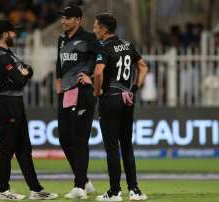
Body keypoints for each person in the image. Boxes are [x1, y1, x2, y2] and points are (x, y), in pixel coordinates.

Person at [0, 19, 58, 200]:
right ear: (5, 34)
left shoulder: (9, 55)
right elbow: (21, 79)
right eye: (13, 32)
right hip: (7, 103)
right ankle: (2, 191)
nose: (15, 35)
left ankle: (35, 189)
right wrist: (23, 74)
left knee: (23, 148)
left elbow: (28, 72)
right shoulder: (2, 57)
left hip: (15, 102)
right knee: (7, 148)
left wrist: (24, 74)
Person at [92, 13, 149, 201]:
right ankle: (135, 190)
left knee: (112, 147)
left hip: (110, 99)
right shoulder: (127, 45)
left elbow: (98, 73)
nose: (94, 29)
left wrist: (97, 92)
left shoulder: (104, 48)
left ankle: (115, 192)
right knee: (127, 146)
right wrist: (134, 88)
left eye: (96, 26)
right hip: (127, 99)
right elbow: (143, 67)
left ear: (104, 29)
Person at [55, 4, 97, 199]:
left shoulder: (89, 38)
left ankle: (79, 186)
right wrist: (58, 85)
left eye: (68, 17)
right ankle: (85, 180)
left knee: (80, 140)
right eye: (62, 17)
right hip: (66, 93)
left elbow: (102, 62)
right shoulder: (61, 39)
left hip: (83, 93)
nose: (63, 20)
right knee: (64, 139)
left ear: (78, 20)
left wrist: (92, 78)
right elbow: (59, 65)